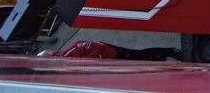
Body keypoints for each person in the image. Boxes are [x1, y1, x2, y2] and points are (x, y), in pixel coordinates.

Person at [39, 40, 179, 61]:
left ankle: (169, 51)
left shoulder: (72, 50)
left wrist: (88, 60)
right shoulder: (67, 61)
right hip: (111, 61)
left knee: (140, 54)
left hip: (113, 53)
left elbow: (98, 47)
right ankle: (164, 58)